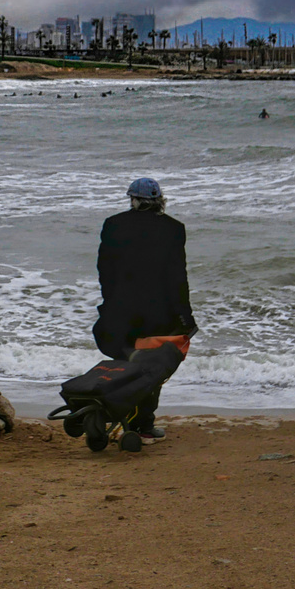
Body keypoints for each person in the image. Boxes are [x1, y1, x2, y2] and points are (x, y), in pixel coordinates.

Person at [93, 178, 197, 442]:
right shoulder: (174, 229)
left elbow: (104, 270)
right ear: (160, 200)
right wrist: (186, 317)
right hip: (158, 315)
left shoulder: (113, 225)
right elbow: (177, 278)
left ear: (132, 199)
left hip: (120, 314)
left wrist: (110, 303)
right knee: (151, 370)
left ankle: (115, 415)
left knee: (125, 365)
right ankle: (144, 426)